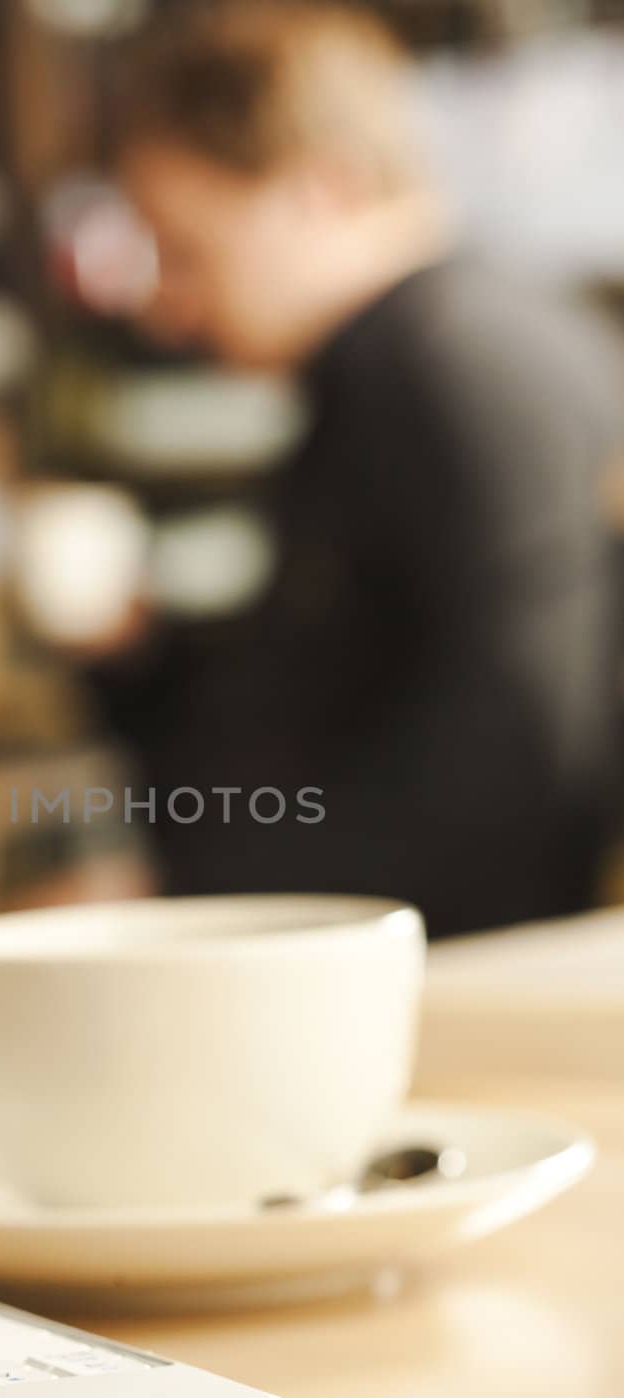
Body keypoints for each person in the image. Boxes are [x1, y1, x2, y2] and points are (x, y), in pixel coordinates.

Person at [79, 0, 622, 939]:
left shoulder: (453, 366)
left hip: (421, 977)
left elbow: (511, 780)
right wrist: (139, 665)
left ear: (321, 188)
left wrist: (176, 907)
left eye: (186, 250)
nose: (168, 308)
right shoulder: (428, 351)